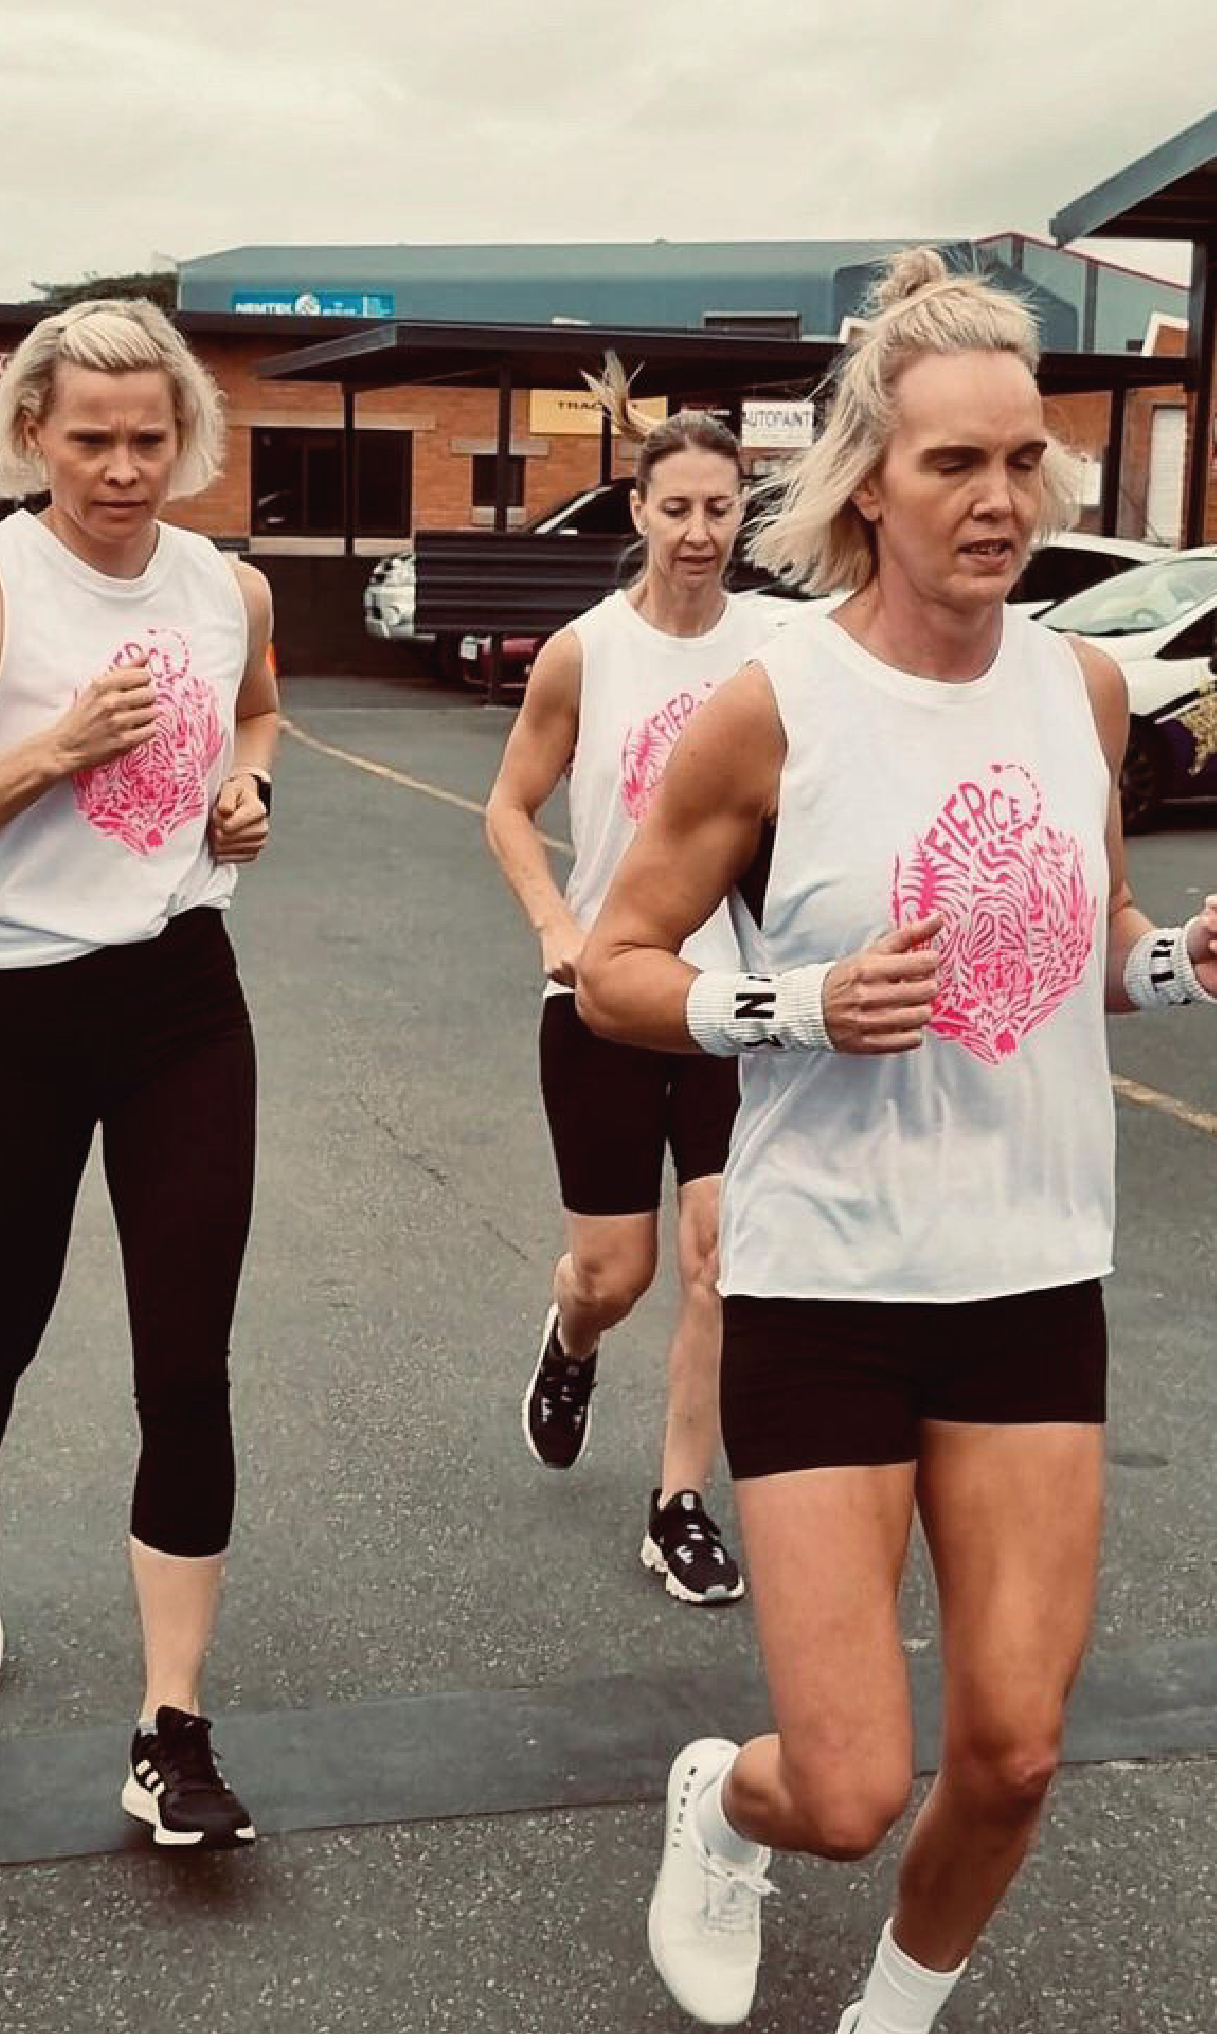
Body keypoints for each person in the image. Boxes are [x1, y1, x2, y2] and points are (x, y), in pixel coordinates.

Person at [577, 250, 1216, 2028]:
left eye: (1024, 461)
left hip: (1026, 1272)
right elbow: (611, 968)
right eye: (956, 463)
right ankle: (725, 1795)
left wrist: (1170, 962)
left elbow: (1058, 970)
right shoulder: (773, 706)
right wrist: (786, 1005)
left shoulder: (1079, 695)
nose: (1001, 497)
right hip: (824, 1281)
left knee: (1009, 1749)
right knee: (848, 1785)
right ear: (870, 480)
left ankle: (891, 2010)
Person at [0, 297, 280, 1849]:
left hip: (183, 996)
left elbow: (254, 709)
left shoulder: (226, 585)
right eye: (92, 438)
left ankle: (169, 1729)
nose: (123, 469)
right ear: (33, 431)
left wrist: (246, 788)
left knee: (187, 1359)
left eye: (150, 437)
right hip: (18, 1005)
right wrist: (52, 749)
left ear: (186, 434)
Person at [485, 360, 769, 1604]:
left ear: (743, 514)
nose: (699, 532)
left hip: (734, 1000)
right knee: (622, 1271)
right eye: (678, 508)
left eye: (721, 509)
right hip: (602, 1001)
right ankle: (572, 1332)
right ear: (638, 512)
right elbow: (507, 806)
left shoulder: (782, 651)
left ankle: (680, 1502)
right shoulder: (584, 655)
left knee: (715, 1252)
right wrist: (556, 919)